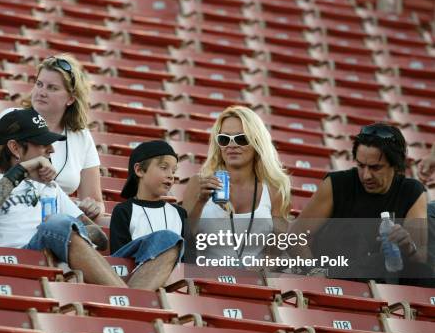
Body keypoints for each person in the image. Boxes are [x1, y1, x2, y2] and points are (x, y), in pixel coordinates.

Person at [0, 108, 178, 289]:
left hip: (58, 259)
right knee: (57, 224)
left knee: (168, 239)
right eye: (43, 144)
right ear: (15, 148)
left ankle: (132, 304)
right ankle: (124, 300)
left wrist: (73, 231)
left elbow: (99, 239)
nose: (51, 150)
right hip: (13, 261)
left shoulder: (49, 187)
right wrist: (20, 172)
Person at [290, 123, 429, 282]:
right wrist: (314, 271)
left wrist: (408, 247)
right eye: (361, 166)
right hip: (333, 273)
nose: (366, 175)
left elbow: (420, 260)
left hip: (382, 281)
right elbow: (295, 237)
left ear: (396, 166)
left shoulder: (412, 192)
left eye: (375, 168)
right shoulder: (337, 184)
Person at [182, 105, 292, 261]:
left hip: (254, 281)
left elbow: (277, 247)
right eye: (224, 139)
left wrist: (263, 268)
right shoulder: (199, 183)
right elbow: (184, 240)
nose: (232, 145)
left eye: (241, 139)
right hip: (205, 279)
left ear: (256, 143)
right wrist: (200, 202)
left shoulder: (274, 189)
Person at [21, 54, 104, 220]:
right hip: (16, 213)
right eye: (39, 84)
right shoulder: (11, 119)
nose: (42, 92)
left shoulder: (82, 136)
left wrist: (93, 207)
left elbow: (96, 201)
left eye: (52, 88)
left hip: (60, 219)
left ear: (71, 98)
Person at [110, 140, 184, 289]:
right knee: (168, 238)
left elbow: (184, 263)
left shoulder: (179, 213)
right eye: (164, 168)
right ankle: (138, 296)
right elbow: (119, 262)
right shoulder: (124, 211)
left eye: (174, 171)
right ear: (139, 170)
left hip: (171, 287)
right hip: (132, 279)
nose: (171, 176)